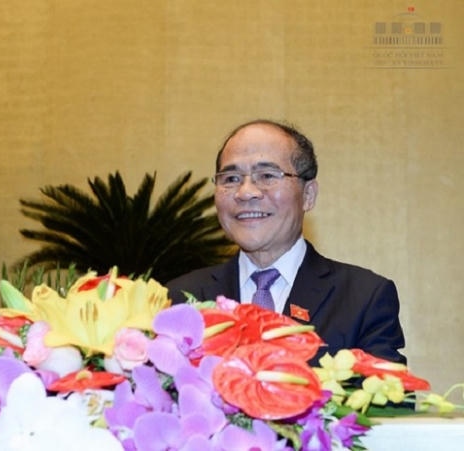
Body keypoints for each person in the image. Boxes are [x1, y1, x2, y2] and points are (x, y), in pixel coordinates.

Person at [166, 119, 406, 364]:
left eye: (267, 176)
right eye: (231, 178)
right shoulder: (179, 299)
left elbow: (386, 388)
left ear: (308, 195)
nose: (245, 192)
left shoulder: (363, 298)